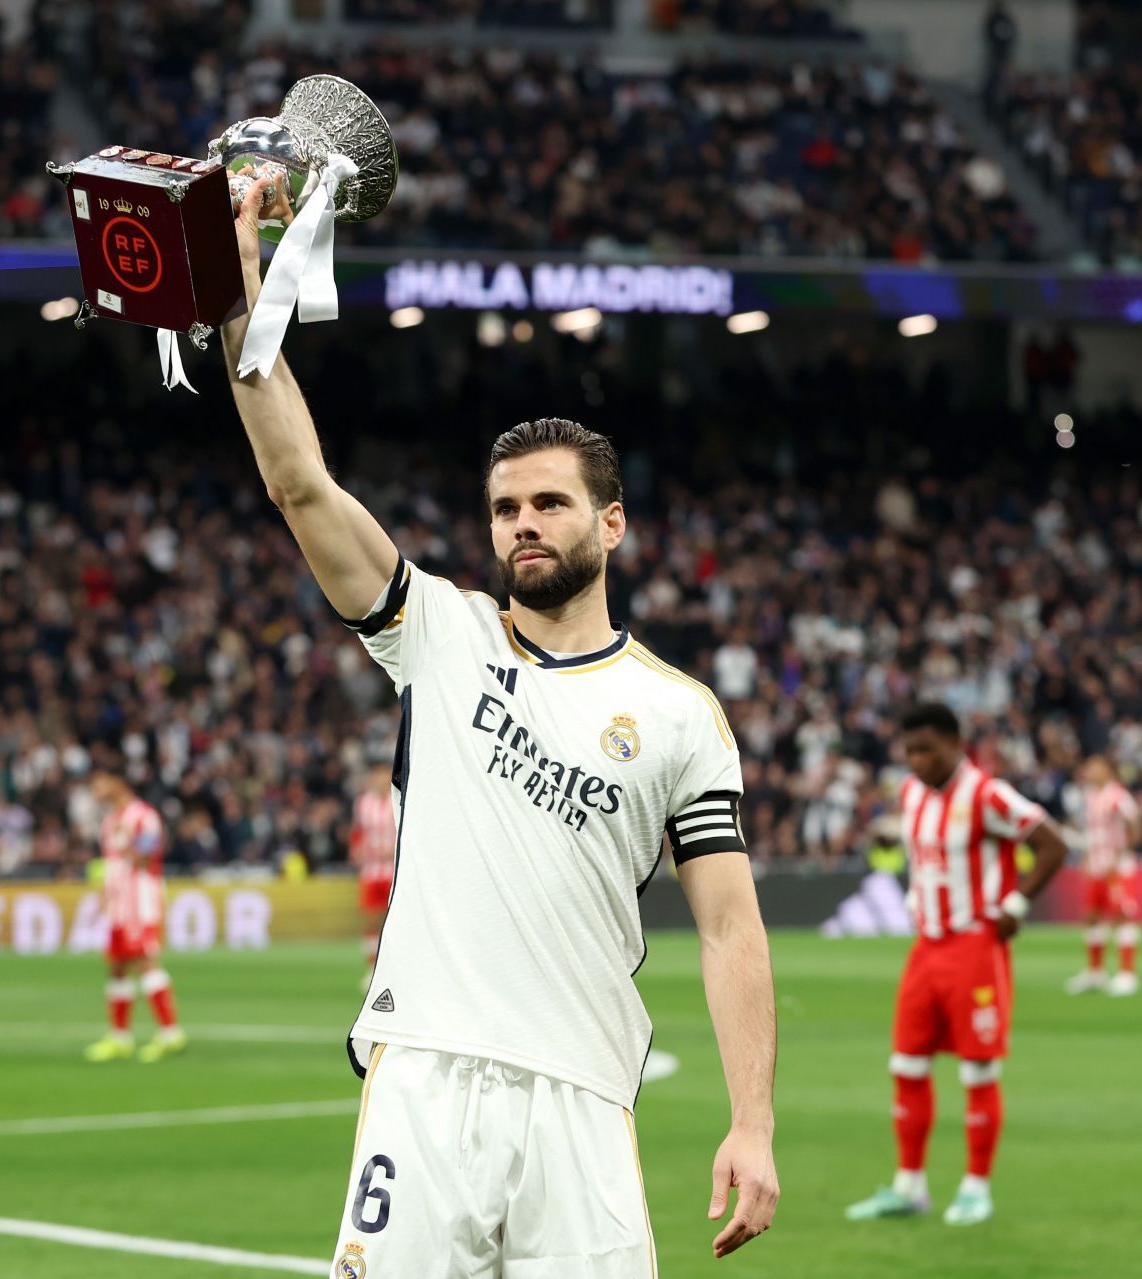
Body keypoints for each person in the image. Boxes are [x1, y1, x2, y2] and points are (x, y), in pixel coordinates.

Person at [221, 171, 779, 1275]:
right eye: (505, 508)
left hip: (581, 1094)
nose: (523, 525)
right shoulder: (437, 628)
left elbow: (729, 926)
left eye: (550, 503)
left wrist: (752, 1120)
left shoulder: (679, 713)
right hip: (424, 1074)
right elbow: (301, 484)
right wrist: (245, 309)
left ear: (610, 523)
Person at [845, 703, 1067, 1226]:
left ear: (954, 744)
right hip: (927, 945)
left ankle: (975, 1187)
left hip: (975, 947)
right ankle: (909, 1186)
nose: (917, 760)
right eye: (910, 751)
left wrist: (1016, 904)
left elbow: (1052, 845)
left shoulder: (987, 794)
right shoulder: (910, 794)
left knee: (978, 1069)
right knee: (906, 1064)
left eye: (927, 749)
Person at [82, 772, 186, 1063]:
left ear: (118, 782)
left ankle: (170, 1033)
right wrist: (105, 894)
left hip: (141, 899)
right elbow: (110, 864)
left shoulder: (144, 816)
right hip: (119, 903)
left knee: (145, 961)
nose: (96, 790)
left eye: (99, 783)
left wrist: (127, 846)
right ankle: (120, 1037)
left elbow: (148, 854)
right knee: (116, 966)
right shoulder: (109, 821)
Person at [1067, 756, 1142, 996]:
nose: (1089, 771)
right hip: (1097, 865)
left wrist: (1120, 855)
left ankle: (1127, 974)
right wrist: (1088, 856)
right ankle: (1095, 973)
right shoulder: (1090, 796)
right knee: (1092, 916)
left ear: (1107, 770)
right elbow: (1092, 832)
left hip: (1116, 867)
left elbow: (1135, 824)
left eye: (1094, 767)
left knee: (1122, 915)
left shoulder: (1118, 796)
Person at [349, 759, 397, 988]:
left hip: (394, 870)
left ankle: (395, 969)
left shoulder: (397, 799)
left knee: (395, 919)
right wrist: (356, 849)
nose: (379, 779)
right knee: (371, 920)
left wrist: (397, 849)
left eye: (383, 774)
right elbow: (357, 831)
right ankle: (373, 969)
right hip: (371, 871)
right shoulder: (363, 803)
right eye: (375, 775)